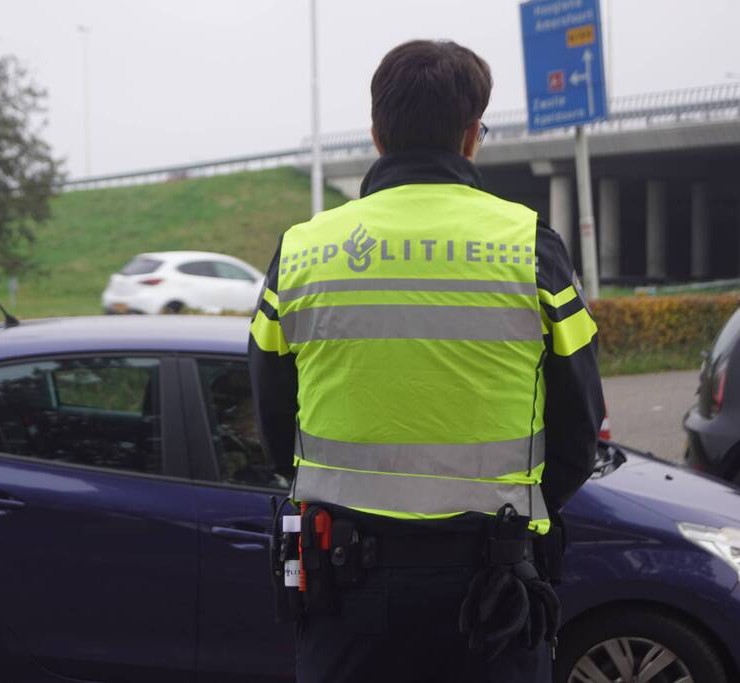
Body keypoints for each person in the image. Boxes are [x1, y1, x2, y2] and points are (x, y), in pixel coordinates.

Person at [248, 39, 604, 683]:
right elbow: (580, 429)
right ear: (472, 136)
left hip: (342, 585)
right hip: (491, 587)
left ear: (377, 134)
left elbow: (275, 427)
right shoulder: (530, 247)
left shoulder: (301, 252)